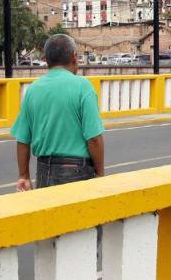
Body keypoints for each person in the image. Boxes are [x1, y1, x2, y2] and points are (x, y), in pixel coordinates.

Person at [10, 34, 105, 191]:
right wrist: (100, 173)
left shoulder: (33, 89)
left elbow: (23, 140)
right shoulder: (83, 87)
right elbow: (94, 139)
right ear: (75, 57)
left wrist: (24, 176)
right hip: (78, 172)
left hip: (44, 171)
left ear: (46, 60)